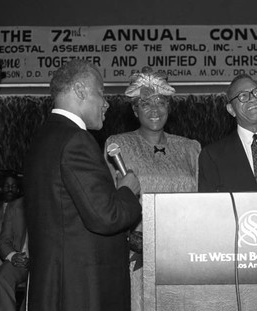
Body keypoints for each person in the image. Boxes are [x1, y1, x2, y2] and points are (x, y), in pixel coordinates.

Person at [24, 59, 142, 311]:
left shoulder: (43, 137)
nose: (106, 103)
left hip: (57, 285)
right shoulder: (77, 140)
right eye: (101, 93)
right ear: (79, 90)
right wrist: (127, 190)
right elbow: (106, 216)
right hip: (82, 290)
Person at [104, 66, 200, 311]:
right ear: (135, 110)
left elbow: (202, 203)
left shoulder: (191, 148)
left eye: (160, 102)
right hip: (136, 255)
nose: (155, 109)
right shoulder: (117, 146)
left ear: (169, 106)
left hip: (184, 254)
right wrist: (131, 238)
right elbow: (107, 202)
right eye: (146, 103)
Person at [199, 73, 257, 192]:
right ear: (231, 110)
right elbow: (209, 207)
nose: (253, 98)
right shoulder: (213, 155)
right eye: (243, 96)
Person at [0, 196, 28, 311]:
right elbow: (4, 240)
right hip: (21, 257)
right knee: (2, 278)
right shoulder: (15, 205)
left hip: (47, 261)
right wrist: (12, 256)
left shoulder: (55, 201)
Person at [0, 172, 22, 270]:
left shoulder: (24, 210)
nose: (10, 189)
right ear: (1, 189)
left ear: (18, 190)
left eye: (13, 186)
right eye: (7, 186)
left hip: (19, 246)